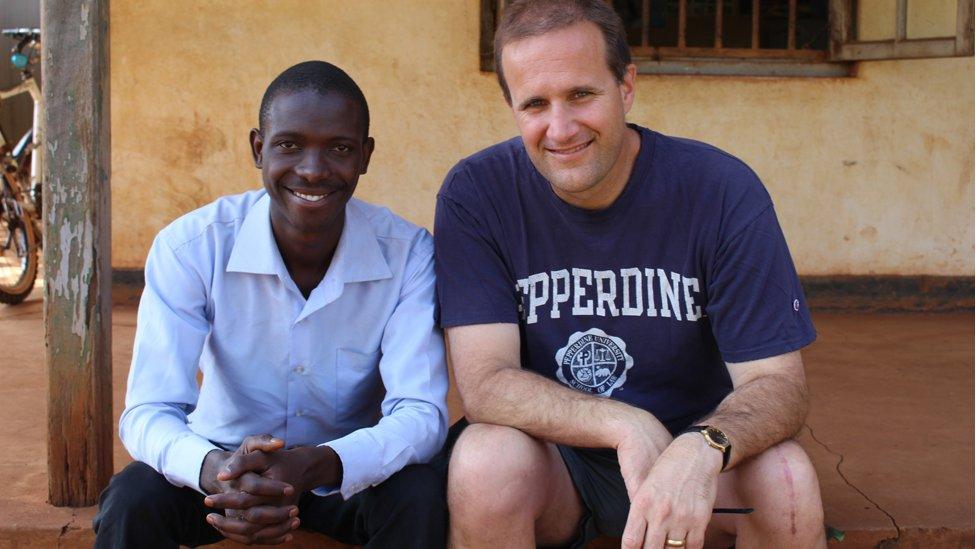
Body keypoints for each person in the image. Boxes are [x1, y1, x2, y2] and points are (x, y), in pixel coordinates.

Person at [434, 1, 826, 548]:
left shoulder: (719, 191)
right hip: (559, 465)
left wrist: (703, 445)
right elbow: (485, 384)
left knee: (786, 478)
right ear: (512, 107)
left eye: (581, 94)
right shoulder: (478, 194)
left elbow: (779, 386)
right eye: (535, 104)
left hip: (700, 464)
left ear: (627, 86)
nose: (561, 128)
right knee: (483, 461)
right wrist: (623, 425)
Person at [93, 61, 449, 549]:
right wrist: (215, 469)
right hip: (223, 471)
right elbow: (149, 410)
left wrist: (316, 464)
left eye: (340, 148)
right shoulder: (192, 246)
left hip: (344, 472)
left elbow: (422, 414)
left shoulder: (407, 253)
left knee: (419, 493)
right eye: (289, 145)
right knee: (133, 497)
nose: (312, 169)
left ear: (365, 156)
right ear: (258, 148)